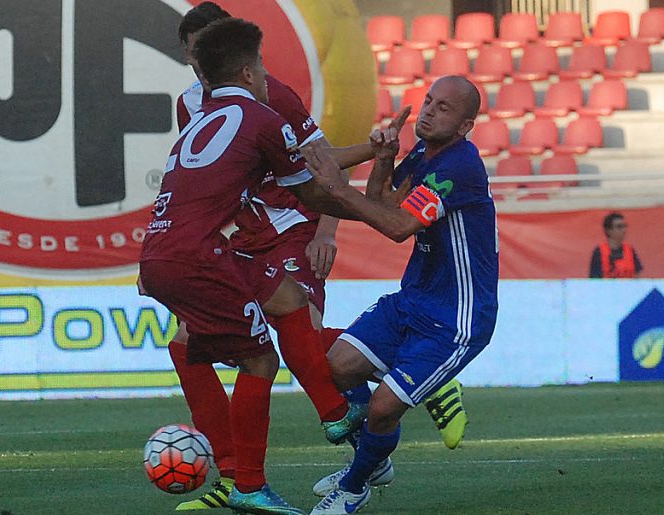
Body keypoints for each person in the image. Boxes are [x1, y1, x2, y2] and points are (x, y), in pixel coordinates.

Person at [164, 4, 466, 510]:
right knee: (189, 344)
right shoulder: (189, 104)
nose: (201, 65)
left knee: (297, 336)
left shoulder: (269, 93)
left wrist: (327, 230)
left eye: (207, 53)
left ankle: (410, 380)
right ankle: (236, 473)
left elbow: (320, 165)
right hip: (240, 234)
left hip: (292, 228)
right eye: (194, 56)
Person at [139, 17, 377, 514]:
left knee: (285, 302)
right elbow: (315, 190)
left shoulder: (200, 117)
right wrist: (382, 214)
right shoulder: (265, 120)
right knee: (260, 360)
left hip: (166, 249)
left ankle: (335, 414)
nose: (267, 73)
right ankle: (248, 483)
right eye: (262, 65)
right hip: (205, 254)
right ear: (248, 73)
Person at [300, 75, 499, 514]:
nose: (428, 111)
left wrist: (333, 186)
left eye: (443, 108)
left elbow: (396, 228)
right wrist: (385, 158)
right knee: (334, 369)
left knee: (383, 409)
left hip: (456, 318)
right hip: (413, 300)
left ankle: (354, 486)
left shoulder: (460, 167)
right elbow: (382, 203)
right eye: (428, 101)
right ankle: (376, 460)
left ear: (465, 126)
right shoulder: (425, 154)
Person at [589, 212, 643, 278]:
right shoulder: (599, 252)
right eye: (619, 227)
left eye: (624, 226)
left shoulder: (630, 250)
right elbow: (594, 280)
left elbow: (637, 277)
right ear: (609, 230)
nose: (624, 230)